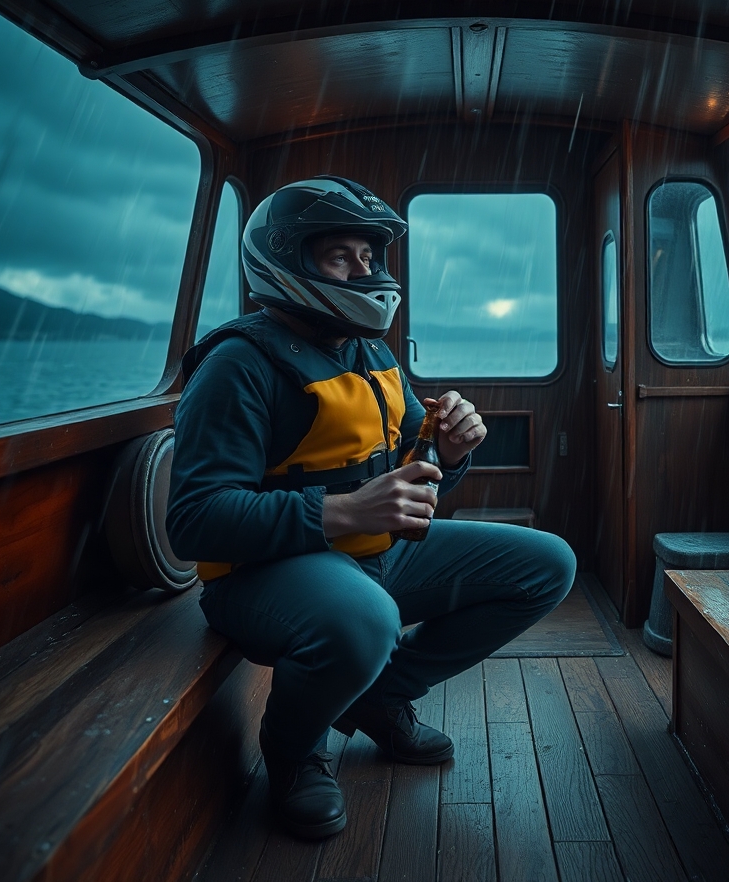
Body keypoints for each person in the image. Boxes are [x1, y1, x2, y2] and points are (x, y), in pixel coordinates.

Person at [166, 175, 576, 840]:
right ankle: (295, 753)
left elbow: (414, 478)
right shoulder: (237, 365)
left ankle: (380, 698)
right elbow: (193, 522)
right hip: (266, 577)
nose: (364, 272)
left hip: (372, 555)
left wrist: (451, 450)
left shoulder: (370, 353)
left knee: (549, 564)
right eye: (340, 257)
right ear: (285, 262)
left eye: (368, 256)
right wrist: (344, 512)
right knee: (365, 618)